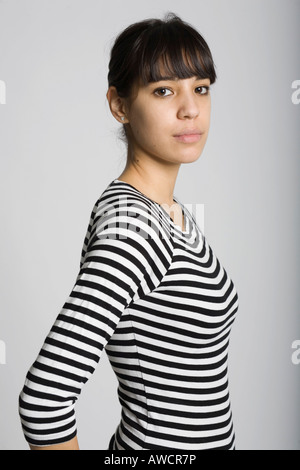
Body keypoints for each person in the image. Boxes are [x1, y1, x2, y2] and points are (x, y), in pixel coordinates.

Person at [18, 12, 239, 451]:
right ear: (119, 105)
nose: (190, 107)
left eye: (201, 88)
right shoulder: (134, 227)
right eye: (163, 91)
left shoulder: (169, 212)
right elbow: (44, 400)